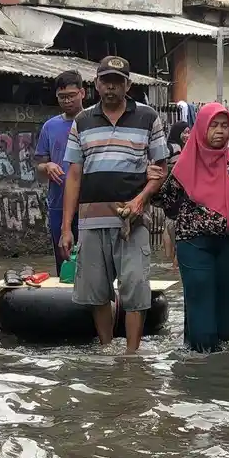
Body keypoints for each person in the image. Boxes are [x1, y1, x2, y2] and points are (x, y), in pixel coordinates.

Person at [60, 56, 170, 354]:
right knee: (96, 292)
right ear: (96, 84)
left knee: (135, 288)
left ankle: (131, 357)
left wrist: (140, 199)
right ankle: (108, 349)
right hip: (90, 220)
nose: (111, 87)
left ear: (128, 85)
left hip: (131, 221)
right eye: (106, 81)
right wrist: (65, 228)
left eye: (117, 82)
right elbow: (73, 175)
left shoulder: (148, 117)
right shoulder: (82, 121)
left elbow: (161, 169)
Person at [155, 103, 229, 352]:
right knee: (201, 305)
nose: (220, 131)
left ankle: (215, 373)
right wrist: (154, 181)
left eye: (224, 126)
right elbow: (167, 205)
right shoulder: (185, 164)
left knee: (226, 315)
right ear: (201, 127)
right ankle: (201, 370)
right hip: (194, 243)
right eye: (214, 125)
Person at [34, 71, 84, 275]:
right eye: (62, 97)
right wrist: (47, 167)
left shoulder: (92, 121)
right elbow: (39, 164)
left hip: (88, 202)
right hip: (58, 202)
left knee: (91, 259)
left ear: (82, 92)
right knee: (63, 258)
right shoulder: (50, 126)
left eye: (72, 95)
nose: (67, 100)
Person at [163, 122, 192, 269]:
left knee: (170, 229)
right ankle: (175, 266)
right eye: (184, 132)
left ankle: (171, 264)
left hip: (173, 201)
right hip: (176, 197)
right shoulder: (175, 148)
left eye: (189, 132)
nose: (187, 135)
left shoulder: (181, 147)